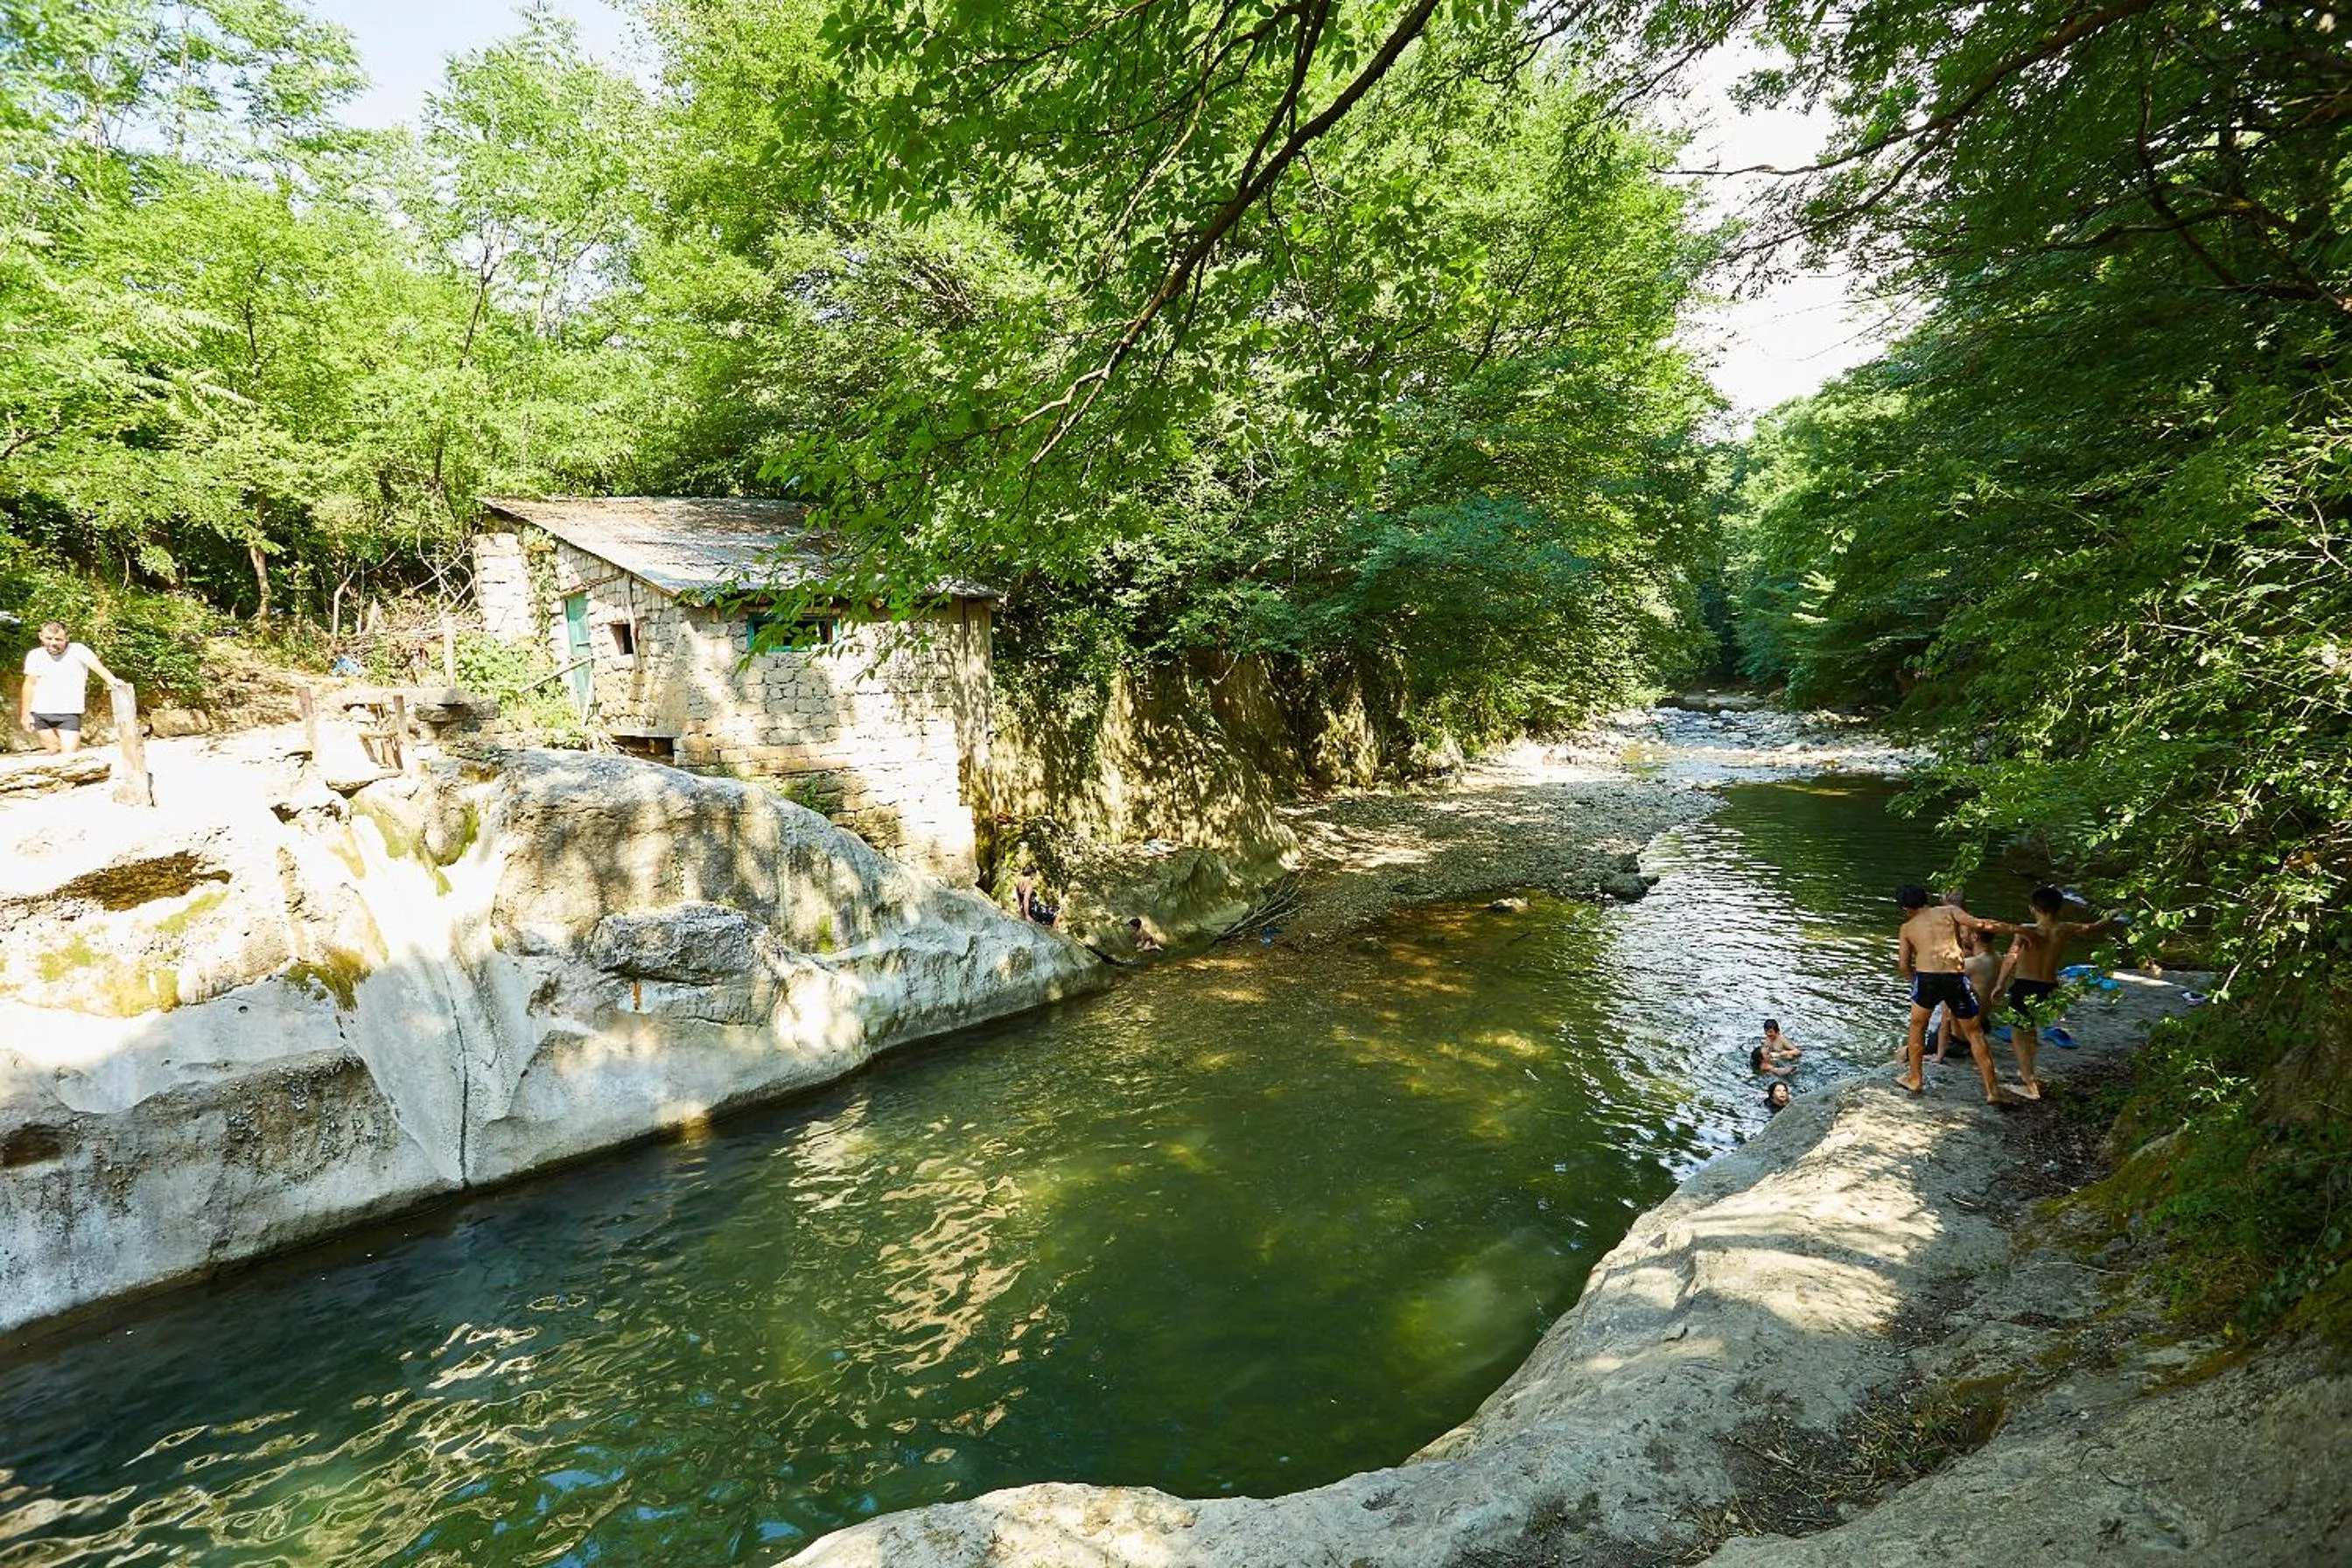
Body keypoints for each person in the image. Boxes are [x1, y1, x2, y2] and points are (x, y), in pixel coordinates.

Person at [1894, 883, 2022, 1102]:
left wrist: (1915, 982)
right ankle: (1993, 1091)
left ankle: (1915, 1079)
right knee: (1975, 1032)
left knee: (1917, 1026)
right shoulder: (1950, 911)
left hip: (1927, 978)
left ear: (1905, 907)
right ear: (1926, 899)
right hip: (1955, 977)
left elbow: (1904, 966)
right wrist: (2016, 929)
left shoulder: (1907, 928)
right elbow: (1982, 925)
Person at [1996, 886, 2126, 1099]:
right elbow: (2094, 926)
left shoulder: (2026, 929)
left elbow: (2011, 957)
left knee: (2018, 1034)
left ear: (2033, 908)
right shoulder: (2064, 928)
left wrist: (1999, 983)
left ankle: (2030, 1086)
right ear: (2059, 910)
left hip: (2025, 985)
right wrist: (2111, 915)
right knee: (2031, 1030)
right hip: (2049, 987)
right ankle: (2028, 1071)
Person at [18, 621, 118, 755]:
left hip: (69, 711)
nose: (53, 643)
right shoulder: (35, 655)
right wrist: (25, 715)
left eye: (58, 639)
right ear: (41, 636)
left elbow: (97, 667)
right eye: (49, 638)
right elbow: (30, 684)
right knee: (54, 751)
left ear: (67, 638)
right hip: (40, 712)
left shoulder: (78, 650)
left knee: (69, 756)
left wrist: (113, 681)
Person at [1932, 925, 2004, 1065]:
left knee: (1905, 1052)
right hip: (1982, 1026)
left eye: (1963, 933)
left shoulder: (1971, 964)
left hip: (1959, 1036)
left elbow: (1946, 1010)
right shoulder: (1998, 958)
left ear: (1975, 937)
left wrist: (1939, 1055)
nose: (1961, 936)